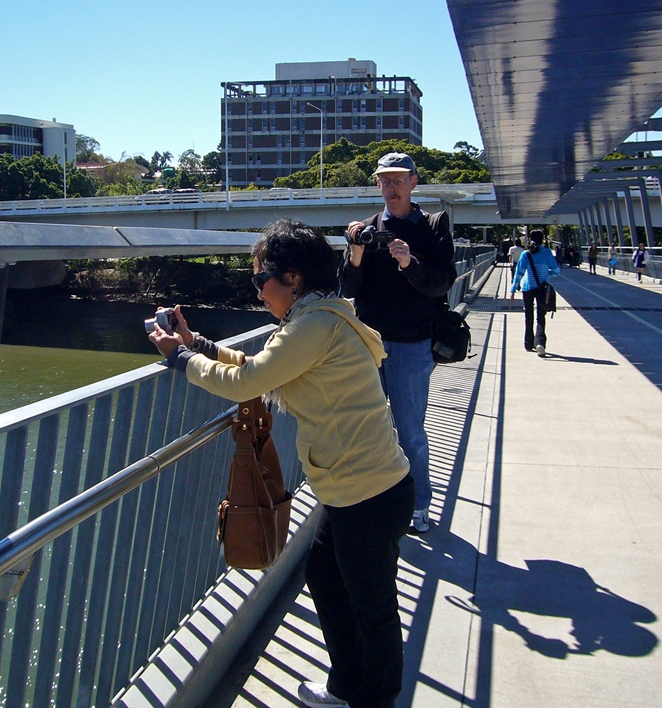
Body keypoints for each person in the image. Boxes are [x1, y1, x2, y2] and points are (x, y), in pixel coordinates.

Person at [148, 219, 414, 708]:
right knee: (327, 577)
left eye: (259, 281)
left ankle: (374, 698)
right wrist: (199, 346)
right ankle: (346, 686)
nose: (258, 294)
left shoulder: (314, 326)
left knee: (372, 608)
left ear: (292, 278)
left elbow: (244, 384)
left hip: (366, 493)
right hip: (362, 488)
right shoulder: (319, 318)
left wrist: (180, 359)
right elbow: (261, 370)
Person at [340, 152, 457, 536]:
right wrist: (355, 253)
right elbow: (349, 290)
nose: (392, 187)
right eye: (385, 180)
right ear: (377, 185)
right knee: (369, 429)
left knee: (410, 431)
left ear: (413, 182)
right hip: (369, 345)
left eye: (399, 179)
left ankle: (419, 505)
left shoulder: (432, 226)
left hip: (411, 345)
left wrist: (410, 263)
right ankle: (376, 501)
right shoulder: (370, 229)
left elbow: (442, 282)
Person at [510, 229, 561, 357]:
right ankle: (540, 343)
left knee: (528, 316)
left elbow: (519, 273)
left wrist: (513, 289)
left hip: (528, 287)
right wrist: (546, 273)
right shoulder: (547, 253)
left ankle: (528, 343)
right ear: (542, 239)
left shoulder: (526, 254)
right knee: (540, 316)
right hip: (542, 288)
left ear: (530, 240)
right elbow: (556, 271)